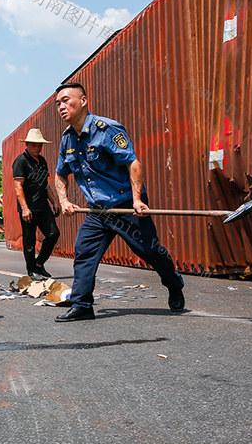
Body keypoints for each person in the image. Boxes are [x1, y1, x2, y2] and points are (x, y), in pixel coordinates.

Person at [52, 83, 185, 322]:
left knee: (150, 251)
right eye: (58, 103)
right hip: (97, 211)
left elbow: (133, 163)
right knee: (84, 254)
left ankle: (173, 282)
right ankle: (82, 304)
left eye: (66, 100)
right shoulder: (67, 140)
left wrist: (137, 200)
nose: (61, 106)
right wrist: (64, 200)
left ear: (83, 101)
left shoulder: (107, 129)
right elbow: (60, 173)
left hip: (125, 206)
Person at [12, 128, 61, 281]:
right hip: (29, 208)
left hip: (43, 206)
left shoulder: (43, 161)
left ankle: (39, 264)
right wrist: (25, 208)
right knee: (29, 240)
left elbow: (45, 184)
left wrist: (54, 201)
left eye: (39, 145)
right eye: (34, 145)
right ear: (26, 144)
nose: (37, 148)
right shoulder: (21, 161)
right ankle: (31, 270)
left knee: (53, 234)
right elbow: (18, 186)